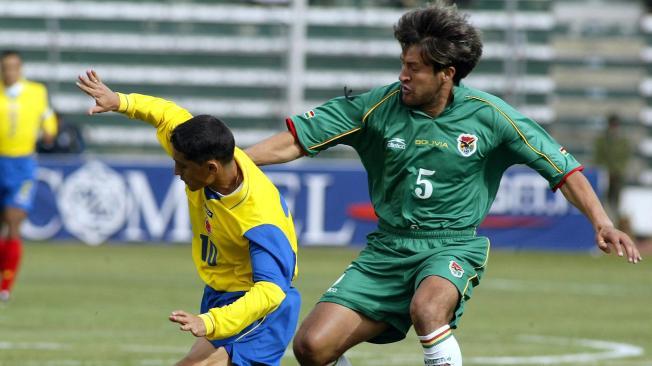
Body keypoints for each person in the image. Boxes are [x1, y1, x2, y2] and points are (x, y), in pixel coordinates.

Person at [245, 2, 642, 365]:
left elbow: (563, 169)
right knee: (311, 348)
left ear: (446, 74)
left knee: (428, 309)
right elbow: (295, 141)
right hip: (387, 249)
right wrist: (233, 164)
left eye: (414, 68)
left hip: (452, 244)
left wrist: (601, 222)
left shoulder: (491, 116)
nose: (403, 75)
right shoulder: (376, 108)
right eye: (402, 63)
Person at [76, 70, 300, 366]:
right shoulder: (200, 150)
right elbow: (166, 113)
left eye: (182, 166)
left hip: (261, 311)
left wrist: (209, 322)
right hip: (222, 295)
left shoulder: (259, 217)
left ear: (211, 168)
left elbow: (271, 291)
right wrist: (120, 101)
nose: (176, 172)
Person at [0, 50, 57, 302]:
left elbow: (47, 116)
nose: (10, 72)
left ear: (20, 68)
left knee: (14, 221)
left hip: (22, 166)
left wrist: (50, 131)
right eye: (5, 67)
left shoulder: (36, 92)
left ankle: (5, 286)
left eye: (14, 67)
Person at [593, 113, 632, 225]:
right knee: (603, 201)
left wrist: (618, 170)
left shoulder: (623, 141)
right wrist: (606, 171)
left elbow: (625, 157)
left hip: (618, 175)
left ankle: (617, 224)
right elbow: (598, 157)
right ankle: (604, 223)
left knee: (617, 202)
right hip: (605, 174)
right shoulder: (602, 140)